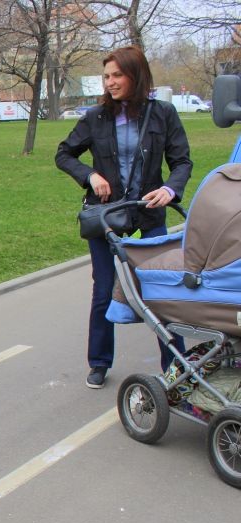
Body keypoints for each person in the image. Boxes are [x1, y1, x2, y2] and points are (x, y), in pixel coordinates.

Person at [56, 45, 192, 389]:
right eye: (106, 76)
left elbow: (182, 162)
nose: (111, 82)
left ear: (136, 75)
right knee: (103, 289)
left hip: (149, 214)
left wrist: (171, 190)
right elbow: (64, 153)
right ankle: (99, 362)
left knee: (162, 289)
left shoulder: (163, 113)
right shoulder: (96, 116)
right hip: (108, 216)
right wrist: (90, 176)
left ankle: (176, 366)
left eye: (117, 75)